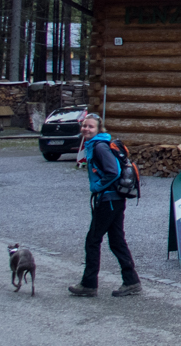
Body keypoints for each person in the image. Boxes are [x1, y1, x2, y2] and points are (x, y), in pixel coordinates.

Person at [69, 113, 141, 297]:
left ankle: (89, 285)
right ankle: (132, 281)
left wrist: (97, 187)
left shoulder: (99, 147)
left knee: (93, 240)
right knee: (117, 241)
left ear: (98, 129)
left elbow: (113, 171)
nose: (86, 129)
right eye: (84, 125)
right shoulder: (96, 144)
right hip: (115, 199)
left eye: (90, 126)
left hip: (108, 200)